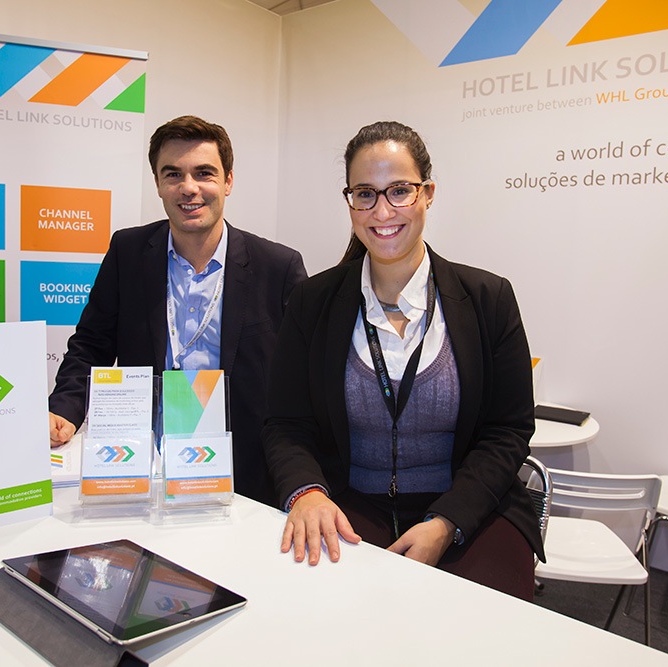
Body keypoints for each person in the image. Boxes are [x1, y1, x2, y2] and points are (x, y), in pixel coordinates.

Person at [262, 121, 543, 600]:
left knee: (482, 622)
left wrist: (447, 521)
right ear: (350, 201)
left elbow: (508, 430)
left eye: (399, 191)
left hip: (469, 507)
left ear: (427, 193)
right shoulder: (313, 301)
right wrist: (306, 492)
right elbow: (285, 423)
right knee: (329, 611)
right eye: (365, 194)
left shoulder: (488, 298)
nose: (382, 211)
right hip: (349, 504)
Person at [49, 115, 307, 505]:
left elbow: (301, 377)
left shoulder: (278, 266)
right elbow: (91, 344)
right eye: (173, 174)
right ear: (157, 183)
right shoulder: (128, 252)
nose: (189, 188)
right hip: (143, 460)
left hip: (244, 470)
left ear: (228, 181)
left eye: (204, 173)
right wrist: (64, 409)